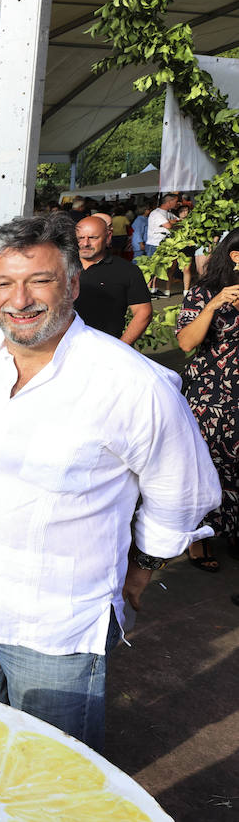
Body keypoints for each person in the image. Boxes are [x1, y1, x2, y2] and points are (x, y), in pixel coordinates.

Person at [0, 215, 220, 751]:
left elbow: (182, 496)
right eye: (2, 283)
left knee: (51, 776)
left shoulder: (133, 384)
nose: (19, 300)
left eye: (38, 280)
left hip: (55, 626)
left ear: (72, 283)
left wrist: (142, 571)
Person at [175, 228, 239, 572]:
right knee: (207, 464)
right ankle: (200, 538)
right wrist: (214, 305)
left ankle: (233, 530)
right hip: (211, 394)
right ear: (236, 256)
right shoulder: (204, 293)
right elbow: (186, 342)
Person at [74, 214, 152, 344]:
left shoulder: (126, 270)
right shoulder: (60, 267)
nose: (85, 243)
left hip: (104, 349)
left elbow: (143, 312)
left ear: (108, 237)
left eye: (93, 238)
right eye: (80, 238)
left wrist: (120, 348)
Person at [146, 193, 180, 295]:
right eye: (175, 201)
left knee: (160, 269)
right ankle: (147, 291)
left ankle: (154, 290)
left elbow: (180, 221)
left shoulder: (168, 213)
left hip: (164, 244)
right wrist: (172, 222)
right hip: (155, 244)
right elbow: (168, 225)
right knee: (152, 268)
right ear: (169, 202)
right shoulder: (157, 213)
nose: (177, 203)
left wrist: (173, 221)